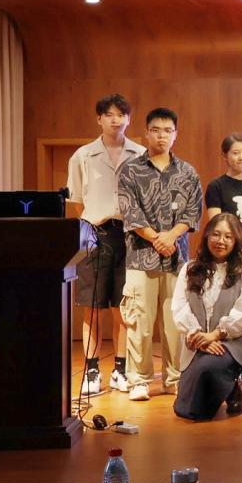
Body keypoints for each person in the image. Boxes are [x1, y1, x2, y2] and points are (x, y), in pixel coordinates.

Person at [117, 107, 203, 402]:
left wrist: (170, 236)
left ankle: (174, 378)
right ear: (146, 133)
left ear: (175, 134)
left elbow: (193, 213)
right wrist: (157, 238)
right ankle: (139, 380)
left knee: (174, 324)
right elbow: (130, 212)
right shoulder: (130, 170)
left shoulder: (187, 172)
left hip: (176, 259)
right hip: (140, 258)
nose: (161, 136)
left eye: (168, 131)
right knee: (139, 321)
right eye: (156, 130)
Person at [66, 93, 145, 394]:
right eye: (109, 114)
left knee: (123, 307)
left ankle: (121, 370)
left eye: (121, 114)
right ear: (98, 119)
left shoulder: (140, 154)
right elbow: (76, 201)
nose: (115, 120)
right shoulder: (83, 156)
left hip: (130, 236)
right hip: (95, 234)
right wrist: (93, 225)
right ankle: (92, 370)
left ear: (129, 119)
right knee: (93, 306)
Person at [171, 213, 242, 420]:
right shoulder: (189, 268)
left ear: (236, 241)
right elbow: (179, 307)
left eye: (228, 237)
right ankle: (229, 389)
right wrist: (199, 336)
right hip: (198, 342)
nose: (221, 241)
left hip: (231, 343)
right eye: (216, 234)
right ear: (206, 236)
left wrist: (215, 335)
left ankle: (233, 387)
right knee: (183, 409)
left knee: (206, 370)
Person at [205, 133, 242, 395]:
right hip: (225, 257)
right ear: (225, 156)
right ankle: (229, 373)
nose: (241, 157)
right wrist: (234, 251)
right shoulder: (216, 186)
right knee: (227, 311)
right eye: (235, 152)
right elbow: (216, 224)